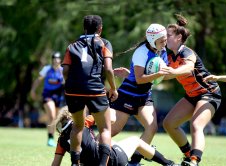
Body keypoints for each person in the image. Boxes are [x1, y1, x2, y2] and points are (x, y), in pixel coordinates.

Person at [162, 14, 222, 166]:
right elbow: (162, 77)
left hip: (209, 93)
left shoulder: (187, 52)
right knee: (169, 123)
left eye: (168, 35)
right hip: (192, 95)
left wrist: (171, 72)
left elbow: (188, 68)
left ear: (179, 37)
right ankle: (189, 154)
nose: (165, 39)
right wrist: (136, 75)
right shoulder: (169, 56)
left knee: (196, 125)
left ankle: (195, 161)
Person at [62, 15, 118, 166]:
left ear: (84, 28)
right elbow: (108, 69)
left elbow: (65, 70)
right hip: (95, 89)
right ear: (100, 28)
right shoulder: (105, 43)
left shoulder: (72, 45)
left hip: (73, 90)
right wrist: (113, 88)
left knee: (78, 126)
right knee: (105, 128)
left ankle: (75, 163)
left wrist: (70, 84)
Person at [110, 23, 168, 165]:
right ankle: (90, 151)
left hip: (144, 95)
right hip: (128, 94)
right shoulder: (141, 52)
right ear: (152, 40)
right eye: (162, 40)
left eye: (166, 39)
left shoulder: (162, 51)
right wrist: (158, 74)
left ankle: (134, 162)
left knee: (152, 127)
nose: (165, 42)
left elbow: (157, 77)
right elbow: (139, 79)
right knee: (114, 130)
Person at [51, 109, 178, 166]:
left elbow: (55, 164)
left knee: (108, 140)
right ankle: (169, 164)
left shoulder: (61, 141)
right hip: (113, 160)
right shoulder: (83, 122)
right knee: (136, 141)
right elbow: (111, 118)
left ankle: (138, 156)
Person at [30, 51, 64, 147]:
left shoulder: (62, 70)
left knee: (56, 118)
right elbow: (38, 80)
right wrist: (33, 90)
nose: (55, 60)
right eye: (54, 58)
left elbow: (67, 82)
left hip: (58, 96)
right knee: (52, 115)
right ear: (52, 60)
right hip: (47, 95)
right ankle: (50, 138)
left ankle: (55, 137)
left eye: (57, 58)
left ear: (60, 60)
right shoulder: (47, 69)